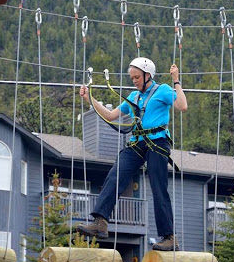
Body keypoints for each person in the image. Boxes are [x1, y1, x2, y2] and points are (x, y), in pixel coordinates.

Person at [77, 57, 187, 251]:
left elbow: (182, 105)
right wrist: (90, 99)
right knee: (115, 174)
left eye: (137, 77)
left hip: (157, 142)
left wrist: (176, 80)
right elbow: (110, 115)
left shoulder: (162, 90)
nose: (134, 81)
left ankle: (169, 236)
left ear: (147, 76)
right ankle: (100, 222)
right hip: (137, 142)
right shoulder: (134, 97)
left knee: (157, 185)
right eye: (132, 77)